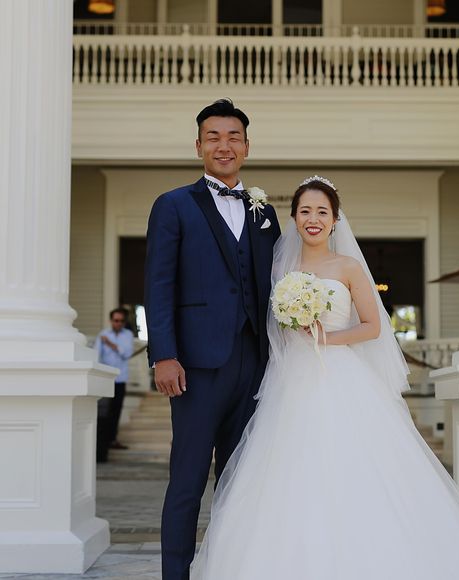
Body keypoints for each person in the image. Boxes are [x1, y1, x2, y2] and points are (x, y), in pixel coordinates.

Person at [191, 177, 459, 580]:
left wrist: (328, 338)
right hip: (289, 381)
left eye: (322, 212)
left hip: (339, 374)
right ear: (294, 218)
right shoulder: (277, 269)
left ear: (335, 220)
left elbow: (372, 326)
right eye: (305, 211)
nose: (313, 219)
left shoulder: (348, 267)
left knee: (352, 467)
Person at [144, 98, 281, 580]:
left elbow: (273, 283)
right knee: (187, 480)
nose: (224, 145)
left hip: (255, 363)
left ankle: (225, 569)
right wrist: (164, 354)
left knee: (239, 481)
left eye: (233, 137)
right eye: (214, 137)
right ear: (199, 145)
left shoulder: (264, 213)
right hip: (195, 367)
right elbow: (158, 285)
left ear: (247, 146)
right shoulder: (173, 205)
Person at [94, 307, 134, 453]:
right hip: (106, 379)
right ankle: (103, 442)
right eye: (116, 320)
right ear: (111, 320)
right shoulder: (103, 334)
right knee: (105, 412)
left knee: (116, 410)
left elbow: (127, 354)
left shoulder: (128, 335)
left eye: (121, 321)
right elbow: (96, 355)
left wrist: (111, 344)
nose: (118, 323)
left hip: (120, 378)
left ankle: (113, 439)